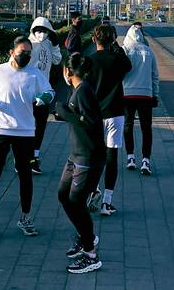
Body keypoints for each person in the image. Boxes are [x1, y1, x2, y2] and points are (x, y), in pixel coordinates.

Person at [0, 36, 55, 240]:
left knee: (25, 176)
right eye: (22, 52)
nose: (26, 56)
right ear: (12, 52)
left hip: (25, 132)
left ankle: (25, 218)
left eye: (29, 53)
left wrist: (43, 98)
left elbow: (49, 92)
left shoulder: (35, 74)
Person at [55, 53, 106, 274]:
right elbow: (77, 116)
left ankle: (90, 254)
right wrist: (63, 113)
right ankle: (86, 236)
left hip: (88, 157)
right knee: (63, 195)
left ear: (67, 71)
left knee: (76, 202)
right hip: (76, 155)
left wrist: (66, 113)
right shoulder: (77, 90)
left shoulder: (84, 90)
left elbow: (92, 123)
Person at [86, 24, 132, 216]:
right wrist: (116, 47)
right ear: (112, 40)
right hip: (115, 112)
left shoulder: (89, 61)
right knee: (112, 156)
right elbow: (128, 65)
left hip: (95, 114)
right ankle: (107, 201)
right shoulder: (118, 60)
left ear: (93, 40)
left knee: (94, 155)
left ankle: (93, 189)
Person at [122, 24, 159, 175]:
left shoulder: (125, 50)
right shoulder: (149, 51)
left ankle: (130, 157)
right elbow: (154, 76)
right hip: (146, 94)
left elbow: (120, 73)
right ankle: (146, 160)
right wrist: (155, 94)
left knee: (128, 125)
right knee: (146, 128)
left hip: (127, 94)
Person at [28, 17, 62, 174]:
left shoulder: (49, 44)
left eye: (44, 30)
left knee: (40, 126)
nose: (41, 33)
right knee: (27, 127)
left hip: (44, 92)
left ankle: (34, 157)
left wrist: (55, 45)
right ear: (33, 30)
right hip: (28, 92)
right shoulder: (28, 44)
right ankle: (23, 157)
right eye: (38, 30)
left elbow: (57, 60)